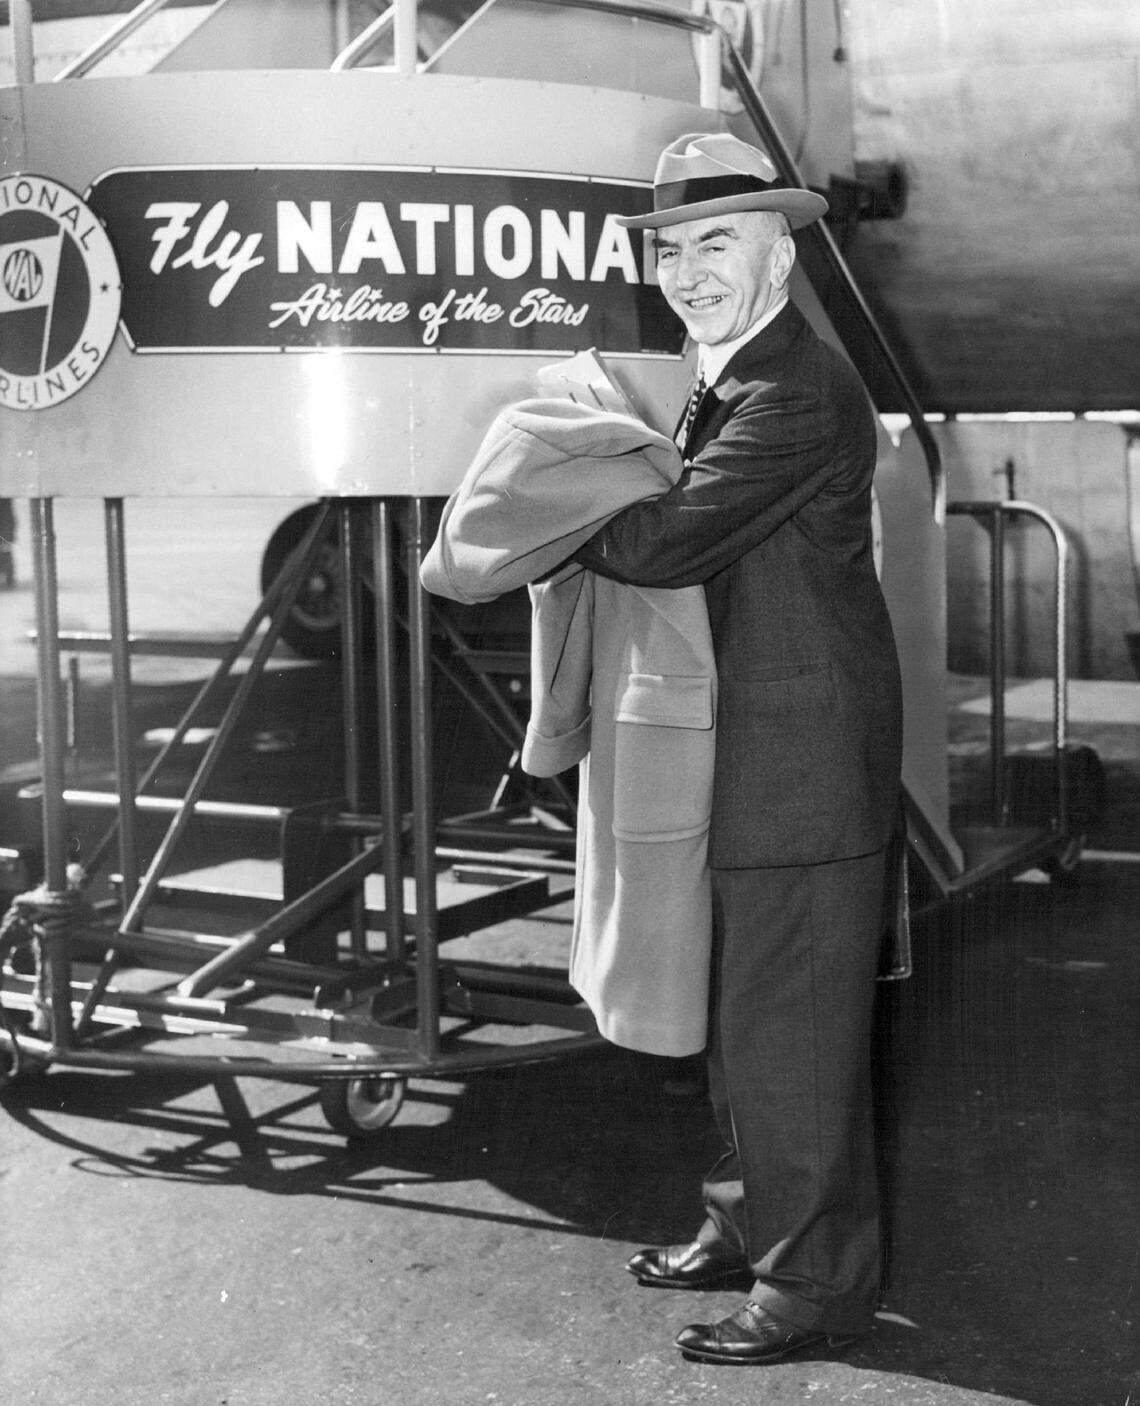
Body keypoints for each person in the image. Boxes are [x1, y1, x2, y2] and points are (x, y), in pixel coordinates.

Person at [572, 132, 903, 1365]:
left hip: (803, 760)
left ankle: (813, 1282)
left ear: (780, 248)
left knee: (794, 1032)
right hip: (750, 746)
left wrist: (544, 495)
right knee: (740, 1011)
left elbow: (662, 542)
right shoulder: (725, 374)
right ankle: (746, 1216)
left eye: (718, 242)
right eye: (671, 249)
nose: (690, 269)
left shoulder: (791, 390)